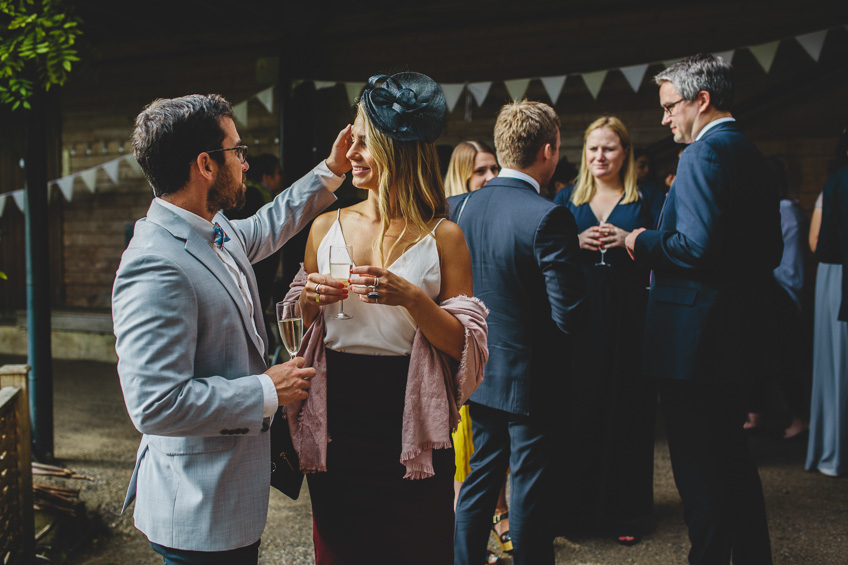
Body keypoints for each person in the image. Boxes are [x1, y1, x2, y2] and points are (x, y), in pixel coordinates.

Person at [112, 94, 352, 563]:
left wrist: (331, 168)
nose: (244, 163)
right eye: (236, 151)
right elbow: (155, 404)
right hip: (197, 512)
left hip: (230, 501)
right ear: (205, 164)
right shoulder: (155, 263)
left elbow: (268, 223)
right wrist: (265, 390)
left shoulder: (212, 227)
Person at [282, 72, 488, 565]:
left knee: (416, 547)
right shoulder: (324, 225)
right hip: (338, 412)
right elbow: (300, 326)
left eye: (364, 144)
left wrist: (414, 300)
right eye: (351, 141)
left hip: (411, 409)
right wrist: (309, 298)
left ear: (399, 150)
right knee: (341, 548)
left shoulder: (444, 237)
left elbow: (466, 346)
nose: (351, 154)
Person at [624, 54, 780, 565]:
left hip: (693, 342)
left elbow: (695, 247)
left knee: (698, 470)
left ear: (702, 100)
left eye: (670, 107)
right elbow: (770, 252)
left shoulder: (702, 156)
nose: (665, 119)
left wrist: (643, 240)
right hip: (736, 334)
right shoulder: (750, 153)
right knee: (732, 460)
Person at [453, 99, 586, 565]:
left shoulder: (459, 207)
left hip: (478, 368)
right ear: (548, 150)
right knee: (528, 485)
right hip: (532, 379)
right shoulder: (549, 216)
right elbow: (569, 315)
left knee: (480, 477)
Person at [553, 116, 662, 545]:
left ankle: (627, 513)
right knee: (580, 412)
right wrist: (573, 243)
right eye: (593, 149)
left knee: (629, 411)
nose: (600, 157)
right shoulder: (565, 198)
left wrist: (632, 238)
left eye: (609, 149)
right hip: (581, 321)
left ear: (626, 153)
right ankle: (577, 512)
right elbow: (546, 255)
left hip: (631, 319)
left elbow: (667, 249)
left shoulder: (648, 196)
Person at [444, 140, 511, 562]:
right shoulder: (450, 217)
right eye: (480, 170)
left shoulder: (494, 212)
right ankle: (464, 535)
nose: (490, 178)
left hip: (491, 338)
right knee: (463, 445)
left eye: (494, 169)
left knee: (489, 443)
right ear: (462, 175)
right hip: (456, 344)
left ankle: (500, 513)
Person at [806, 127, 848, 477]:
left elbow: (817, 242)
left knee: (837, 364)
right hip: (835, 275)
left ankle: (835, 450)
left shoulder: (834, 183)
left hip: (834, 274)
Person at [225, 153, 286, 349]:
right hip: (257, 270)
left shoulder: (259, 195)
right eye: (277, 173)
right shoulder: (251, 196)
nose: (244, 166)